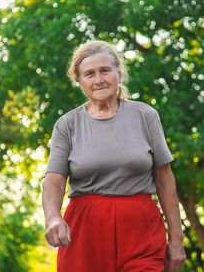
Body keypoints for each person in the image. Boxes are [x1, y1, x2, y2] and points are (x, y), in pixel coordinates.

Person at [42, 40, 186, 272]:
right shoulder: (67, 125)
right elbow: (54, 180)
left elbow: (165, 180)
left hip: (141, 227)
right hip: (85, 231)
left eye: (105, 70)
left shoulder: (145, 115)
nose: (98, 79)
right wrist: (53, 217)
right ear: (79, 81)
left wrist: (176, 240)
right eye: (89, 74)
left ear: (119, 73)